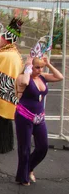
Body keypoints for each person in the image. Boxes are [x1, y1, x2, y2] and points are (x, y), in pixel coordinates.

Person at [14, 55, 63, 185]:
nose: (40, 70)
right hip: (24, 116)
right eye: (37, 67)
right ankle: (23, 177)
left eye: (41, 67)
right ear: (31, 67)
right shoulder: (23, 77)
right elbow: (24, 82)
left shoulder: (43, 77)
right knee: (24, 148)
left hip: (39, 118)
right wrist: (28, 67)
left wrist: (49, 65)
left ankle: (29, 168)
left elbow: (60, 77)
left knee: (43, 146)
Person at [0, 17, 24, 154]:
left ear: (6, 40)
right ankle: (5, 145)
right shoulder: (15, 54)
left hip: (0, 91)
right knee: (4, 121)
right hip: (10, 90)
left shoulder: (3, 55)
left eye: (2, 38)